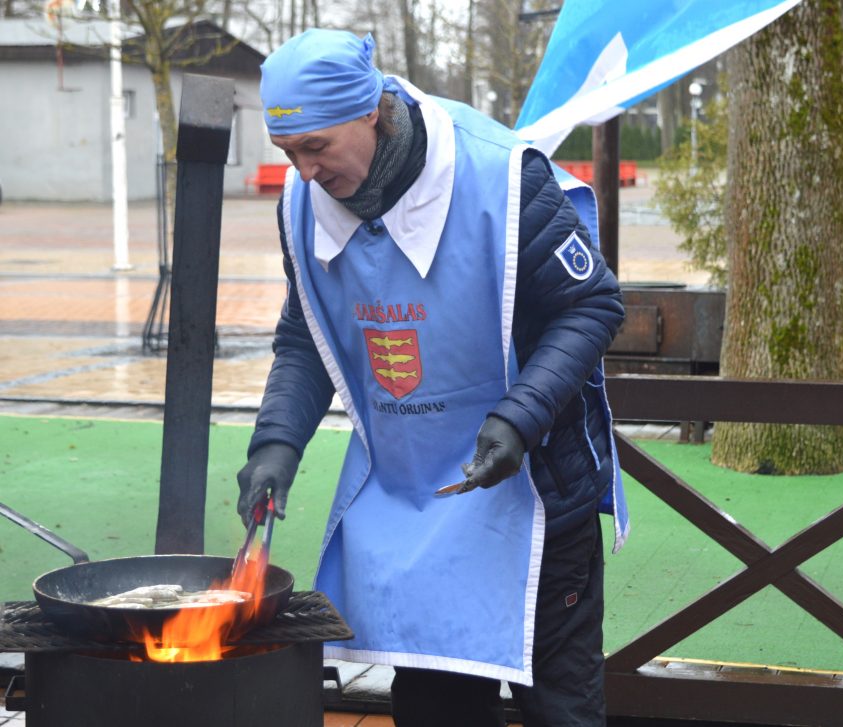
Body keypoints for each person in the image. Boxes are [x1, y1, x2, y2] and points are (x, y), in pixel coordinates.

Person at [237, 28, 628, 727]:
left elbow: (593, 302)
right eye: (287, 153)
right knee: (435, 711)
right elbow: (307, 337)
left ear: (369, 111)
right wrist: (276, 443)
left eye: (316, 147)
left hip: (536, 488)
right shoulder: (302, 206)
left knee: (559, 712)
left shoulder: (501, 177)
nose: (303, 172)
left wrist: (520, 415)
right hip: (420, 506)